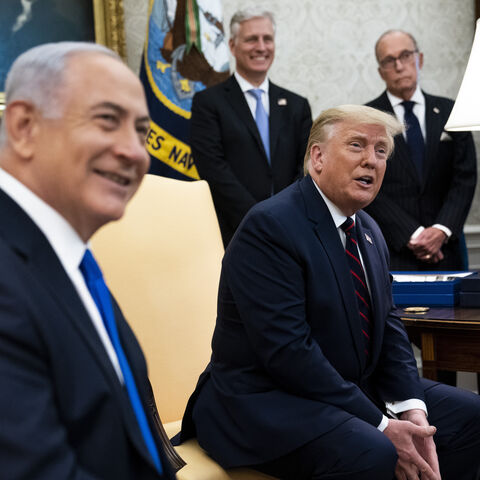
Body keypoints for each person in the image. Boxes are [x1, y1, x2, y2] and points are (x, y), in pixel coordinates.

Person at [178, 105, 480, 479]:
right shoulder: (270, 226)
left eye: (381, 151)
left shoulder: (368, 229)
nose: (371, 161)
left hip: (344, 389)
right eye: (356, 146)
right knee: (374, 450)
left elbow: (388, 328)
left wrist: (412, 407)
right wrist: (383, 424)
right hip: (264, 400)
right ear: (317, 157)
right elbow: (289, 352)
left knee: (469, 415)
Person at [0, 42, 175, 479]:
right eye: (107, 121)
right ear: (24, 126)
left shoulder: (71, 261)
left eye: (142, 132)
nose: (135, 152)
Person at [190, 7, 312, 247]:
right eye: (251, 39)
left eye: (267, 39)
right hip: (234, 232)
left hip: (294, 228)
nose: (261, 47)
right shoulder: (208, 103)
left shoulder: (297, 105)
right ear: (233, 46)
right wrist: (259, 217)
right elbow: (213, 169)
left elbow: (307, 164)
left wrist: (286, 215)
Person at [365, 29, 477, 271]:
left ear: (420, 59)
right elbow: (366, 182)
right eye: (389, 60)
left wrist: (441, 230)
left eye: (405, 55)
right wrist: (412, 234)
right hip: (393, 249)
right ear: (380, 71)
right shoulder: (368, 119)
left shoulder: (451, 111)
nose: (399, 66)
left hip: (446, 248)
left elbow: (465, 178)